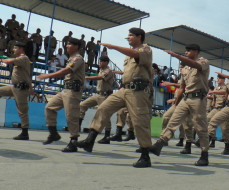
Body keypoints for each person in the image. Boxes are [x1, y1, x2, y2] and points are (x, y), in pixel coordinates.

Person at [73, 27, 153, 168]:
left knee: (140, 121)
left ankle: (145, 156)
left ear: (139, 37)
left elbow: (136, 54)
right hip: (124, 89)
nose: (128, 38)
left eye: (130, 35)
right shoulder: (128, 56)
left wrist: (113, 47)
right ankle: (89, 141)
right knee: (103, 108)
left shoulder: (145, 49)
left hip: (138, 91)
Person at [150, 44, 210, 166]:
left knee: (200, 127)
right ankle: (160, 144)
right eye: (185, 51)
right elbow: (182, 87)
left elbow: (196, 65)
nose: (186, 52)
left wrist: (177, 56)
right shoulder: (186, 68)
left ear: (196, 51)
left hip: (198, 99)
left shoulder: (204, 62)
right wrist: (176, 103)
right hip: (185, 99)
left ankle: (204, 155)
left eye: (188, 51)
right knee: (173, 121)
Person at [37, 38, 84, 152]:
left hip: (73, 90)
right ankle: (53, 133)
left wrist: (47, 76)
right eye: (67, 44)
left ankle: (73, 142)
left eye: (70, 44)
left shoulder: (78, 58)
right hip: (66, 89)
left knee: (71, 116)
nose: (67, 46)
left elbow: (65, 71)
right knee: (49, 107)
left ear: (77, 46)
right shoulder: (71, 58)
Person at [78, 55, 114, 144]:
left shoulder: (108, 71)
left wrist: (86, 77)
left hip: (105, 96)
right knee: (82, 105)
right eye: (99, 61)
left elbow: (101, 78)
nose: (100, 63)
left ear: (106, 62)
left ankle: (107, 135)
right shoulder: (101, 70)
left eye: (101, 61)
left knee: (105, 114)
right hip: (98, 94)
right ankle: (78, 125)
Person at [0, 41, 31, 140]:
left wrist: (2, 59)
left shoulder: (23, 58)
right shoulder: (20, 59)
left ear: (21, 49)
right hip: (14, 87)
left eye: (15, 48)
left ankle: (25, 133)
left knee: (22, 110)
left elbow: (9, 61)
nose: (13, 50)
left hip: (20, 88)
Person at [207, 74, 229, 154]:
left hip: (224, 109)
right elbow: (214, 97)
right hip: (216, 109)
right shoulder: (216, 87)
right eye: (217, 78)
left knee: (225, 129)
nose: (218, 79)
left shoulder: (226, 87)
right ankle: (211, 139)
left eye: (220, 78)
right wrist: (213, 102)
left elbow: (224, 92)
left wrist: (213, 91)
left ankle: (226, 147)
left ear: (224, 80)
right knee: (208, 120)